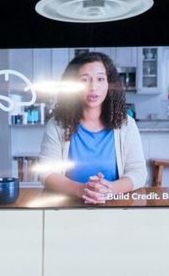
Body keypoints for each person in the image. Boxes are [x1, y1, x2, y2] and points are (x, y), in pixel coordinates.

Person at [36, 51, 149, 205]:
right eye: (84, 80)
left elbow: (138, 172)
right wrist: (81, 189)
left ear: (110, 84)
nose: (93, 87)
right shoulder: (57, 124)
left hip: (114, 206)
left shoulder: (126, 124)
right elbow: (47, 173)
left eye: (101, 79)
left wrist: (110, 190)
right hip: (67, 206)